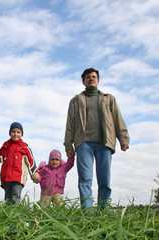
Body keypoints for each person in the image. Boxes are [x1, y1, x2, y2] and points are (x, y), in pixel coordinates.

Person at [64, 68, 130, 209]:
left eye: (94, 77)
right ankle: (87, 213)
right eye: (88, 77)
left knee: (104, 179)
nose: (91, 79)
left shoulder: (109, 99)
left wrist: (123, 139)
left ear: (98, 80)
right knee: (85, 179)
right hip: (83, 144)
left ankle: (102, 211)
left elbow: (117, 119)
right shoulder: (75, 101)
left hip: (104, 143)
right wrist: (68, 145)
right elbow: (70, 123)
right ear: (84, 81)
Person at [0, 122, 39, 204]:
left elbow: (31, 162)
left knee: (15, 195)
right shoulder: (5, 146)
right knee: (7, 197)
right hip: (6, 177)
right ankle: (7, 214)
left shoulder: (25, 148)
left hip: (18, 177)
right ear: (10, 133)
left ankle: (15, 213)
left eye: (18, 132)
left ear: (21, 134)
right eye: (13, 131)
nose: (15, 134)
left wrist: (34, 175)